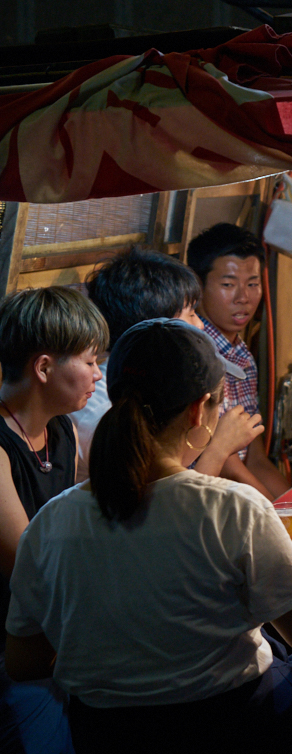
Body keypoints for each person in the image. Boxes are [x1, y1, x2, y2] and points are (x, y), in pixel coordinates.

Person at [4, 318, 292, 754]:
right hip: (240, 729)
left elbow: (23, 661)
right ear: (199, 410)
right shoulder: (234, 509)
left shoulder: (51, 524)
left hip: (107, 736)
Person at [0, 287, 107, 754]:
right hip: (13, 645)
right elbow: (29, 565)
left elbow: (86, 516)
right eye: (90, 361)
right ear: (43, 368)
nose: (98, 374)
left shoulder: (62, 428)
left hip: (58, 627)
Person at [72, 248, 262, 482]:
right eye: (190, 314)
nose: (200, 325)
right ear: (157, 327)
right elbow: (156, 497)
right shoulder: (99, 410)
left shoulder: (165, 380)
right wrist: (218, 450)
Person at [187, 222, 289, 499]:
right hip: (206, 498)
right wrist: (276, 513)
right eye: (228, 285)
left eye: (253, 284)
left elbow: (253, 457)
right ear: (198, 286)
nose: (243, 297)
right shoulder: (195, 356)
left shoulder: (242, 355)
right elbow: (227, 464)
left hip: (242, 494)